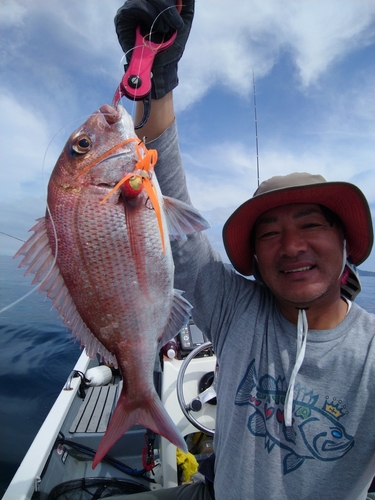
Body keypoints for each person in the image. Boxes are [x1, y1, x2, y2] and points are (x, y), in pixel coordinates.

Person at [112, 1, 375, 499]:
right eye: (269, 233)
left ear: (345, 241)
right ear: (253, 257)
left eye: (311, 224)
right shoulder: (236, 309)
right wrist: (155, 80)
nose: (292, 246)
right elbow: (165, 200)